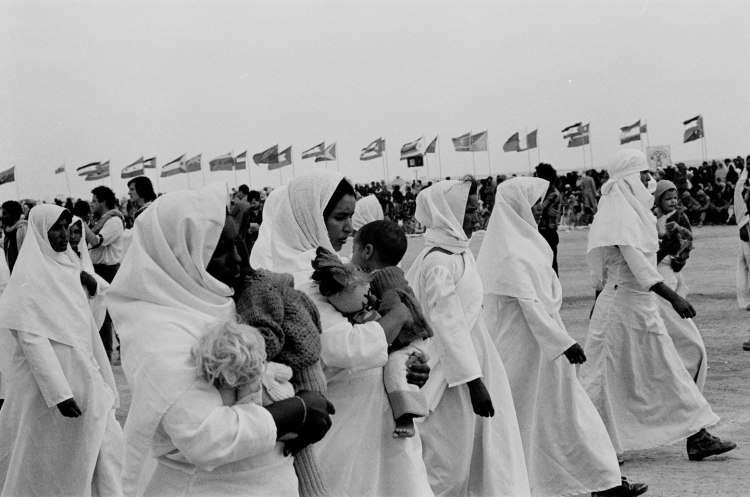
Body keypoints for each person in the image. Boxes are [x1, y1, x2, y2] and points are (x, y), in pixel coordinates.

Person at [108, 183, 334, 497]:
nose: (239, 257)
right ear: (181, 255)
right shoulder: (158, 332)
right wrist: (297, 410)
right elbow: (205, 436)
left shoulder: (223, 300)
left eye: (239, 242)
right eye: (220, 249)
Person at [251, 169, 434, 497]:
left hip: (372, 422)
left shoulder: (332, 270)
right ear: (309, 217)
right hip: (339, 425)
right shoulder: (292, 279)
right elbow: (342, 347)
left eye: (351, 216)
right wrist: (398, 316)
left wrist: (408, 365)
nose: (350, 228)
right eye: (340, 217)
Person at [477, 177, 647, 497]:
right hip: (522, 351)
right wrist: (563, 343)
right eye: (539, 202)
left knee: (571, 412)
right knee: (523, 419)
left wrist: (559, 341)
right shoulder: (510, 251)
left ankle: (605, 481)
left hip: (545, 349)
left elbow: (545, 296)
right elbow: (530, 306)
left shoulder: (532, 241)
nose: (545, 209)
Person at [578, 149, 736, 462]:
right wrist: (675, 298)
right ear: (628, 179)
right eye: (644, 174)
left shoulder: (634, 212)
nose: (650, 180)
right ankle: (596, 446)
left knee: (667, 370)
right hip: (618, 310)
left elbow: (645, 258)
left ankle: (697, 435)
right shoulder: (617, 215)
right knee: (601, 378)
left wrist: (667, 246)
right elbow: (638, 267)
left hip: (640, 307)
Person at [406, 178, 531, 497]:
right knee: (449, 462)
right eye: (471, 210)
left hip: (474, 362)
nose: (478, 216)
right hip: (452, 375)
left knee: (481, 451)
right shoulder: (438, 261)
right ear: (448, 214)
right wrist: (474, 382)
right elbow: (447, 325)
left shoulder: (458, 253)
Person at [0, 205, 123, 496]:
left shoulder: (68, 266)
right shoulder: (30, 275)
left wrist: (91, 290)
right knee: (45, 453)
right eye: (55, 228)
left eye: (66, 227)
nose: (63, 234)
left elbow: (84, 321)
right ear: (41, 232)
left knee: (102, 440)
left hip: (83, 371)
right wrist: (59, 392)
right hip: (45, 386)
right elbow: (32, 337)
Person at [85, 185, 125, 362]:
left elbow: (96, 240)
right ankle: (104, 353)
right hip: (96, 269)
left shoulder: (114, 221)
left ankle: (114, 352)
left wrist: (82, 225)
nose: (92, 204)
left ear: (103, 202)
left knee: (111, 313)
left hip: (108, 270)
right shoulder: (99, 220)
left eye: (94, 201)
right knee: (99, 311)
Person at [534, 163, 562, 274]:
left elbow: (540, 208)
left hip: (548, 232)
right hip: (544, 231)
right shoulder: (546, 192)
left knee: (551, 266)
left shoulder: (552, 193)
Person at [1, 200, 27, 273]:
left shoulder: (23, 229)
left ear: (14, 215)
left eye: (4, 214)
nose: (2, 217)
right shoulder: (8, 231)